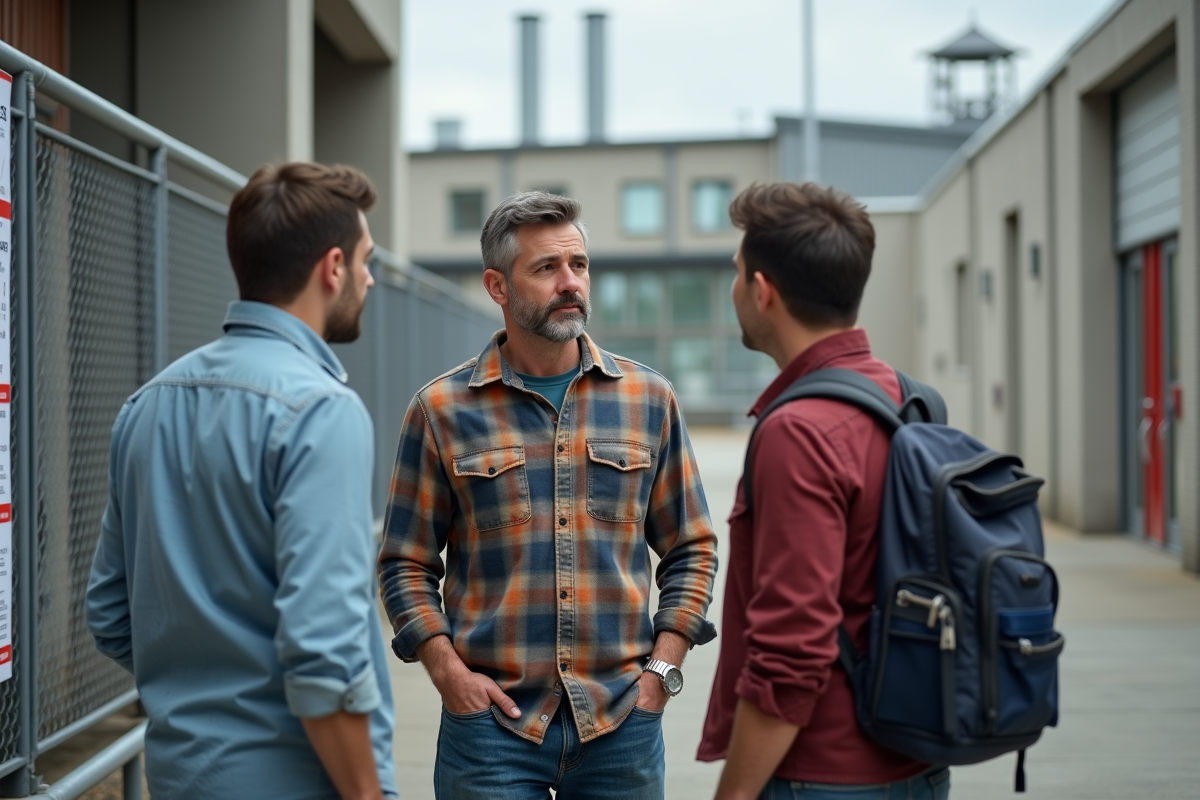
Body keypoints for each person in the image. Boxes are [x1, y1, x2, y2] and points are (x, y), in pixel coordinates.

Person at [379, 191, 719, 800]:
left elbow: (691, 546)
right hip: (490, 731)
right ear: (497, 286)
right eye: (546, 268)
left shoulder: (649, 399)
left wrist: (661, 673)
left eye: (579, 265)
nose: (570, 283)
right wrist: (447, 674)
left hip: (622, 722)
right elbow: (405, 562)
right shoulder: (440, 410)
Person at [87, 163, 397, 800]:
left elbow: (112, 615)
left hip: (176, 776)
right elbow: (323, 651)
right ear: (332, 267)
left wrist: (202, 686)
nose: (370, 278)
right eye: (366, 260)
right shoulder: (321, 411)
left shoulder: (147, 405)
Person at [697, 182, 950, 800]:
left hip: (822, 776)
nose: (735, 290)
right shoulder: (914, 399)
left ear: (763, 291)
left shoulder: (799, 431)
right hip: (918, 762)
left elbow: (791, 652)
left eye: (736, 274)